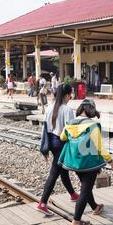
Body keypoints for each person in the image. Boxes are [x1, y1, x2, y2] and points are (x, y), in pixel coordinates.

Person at [60, 99, 113, 225]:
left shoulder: (69, 124)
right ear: (91, 110)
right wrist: (109, 159)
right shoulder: (93, 125)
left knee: (86, 186)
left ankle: (95, 207)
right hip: (89, 163)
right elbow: (99, 146)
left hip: (75, 162)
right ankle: (76, 220)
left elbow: (62, 138)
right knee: (85, 190)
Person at [36, 85, 79, 216]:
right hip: (62, 143)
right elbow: (71, 131)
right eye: (70, 95)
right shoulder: (67, 110)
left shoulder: (49, 108)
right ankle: (42, 203)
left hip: (53, 143)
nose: (70, 98)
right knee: (55, 172)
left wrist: (46, 148)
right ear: (67, 95)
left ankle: (73, 195)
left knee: (62, 170)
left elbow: (46, 130)